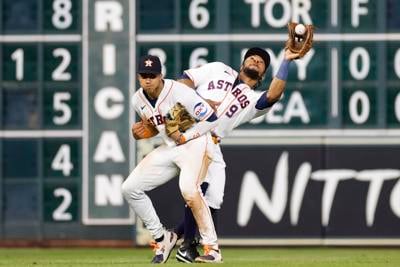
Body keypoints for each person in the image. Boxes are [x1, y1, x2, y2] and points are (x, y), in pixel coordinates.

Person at [173, 46, 302, 263]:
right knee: (199, 188)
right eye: (251, 58)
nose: (256, 61)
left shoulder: (252, 99)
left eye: (261, 62)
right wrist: (199, 102)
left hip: (212, 142)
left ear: (262, 75)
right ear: (242, 64)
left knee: (214, 198)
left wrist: (287, 60)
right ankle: (187, 246)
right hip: (189, 131)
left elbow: (273, 95)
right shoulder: (218, 69)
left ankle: (177, 237)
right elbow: (183, 81)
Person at [122, 55, 223, 264]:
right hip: (171, 147)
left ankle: (212, 249)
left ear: (161, 75)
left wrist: (186, 136)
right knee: (130, 188)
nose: (148, 79)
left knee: (189, 190)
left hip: (197, 143)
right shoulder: (137, 100)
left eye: (152, 75)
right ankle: (162, 238)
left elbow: (212, 119)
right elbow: (158, 126)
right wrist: (143, 132)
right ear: (138, 77)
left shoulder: (179, 91)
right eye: (144, 75)